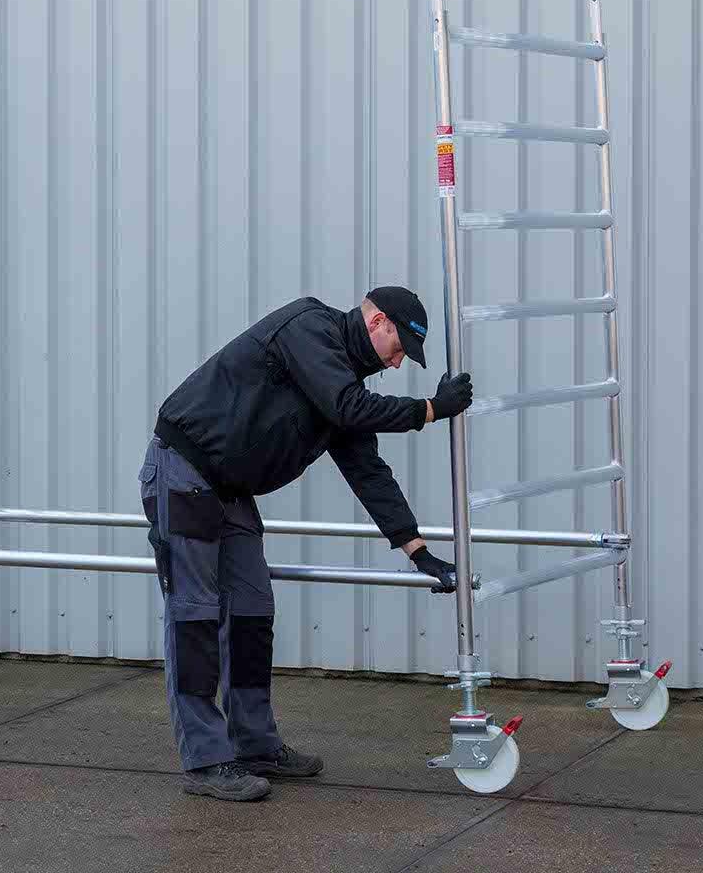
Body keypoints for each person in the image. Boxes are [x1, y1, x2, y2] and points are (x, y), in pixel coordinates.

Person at [137, 287, 473, 801]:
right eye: (399, 348)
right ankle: (206, 761)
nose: (397, 362)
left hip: (230, 491)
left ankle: (254, 745)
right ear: (377, 322)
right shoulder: (310, 328)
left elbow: (367, 471)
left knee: (251, 611)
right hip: (185, 473)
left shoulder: (340, 384)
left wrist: (417, 551)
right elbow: (350, 408)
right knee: (195, 614)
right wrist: (430, 409)